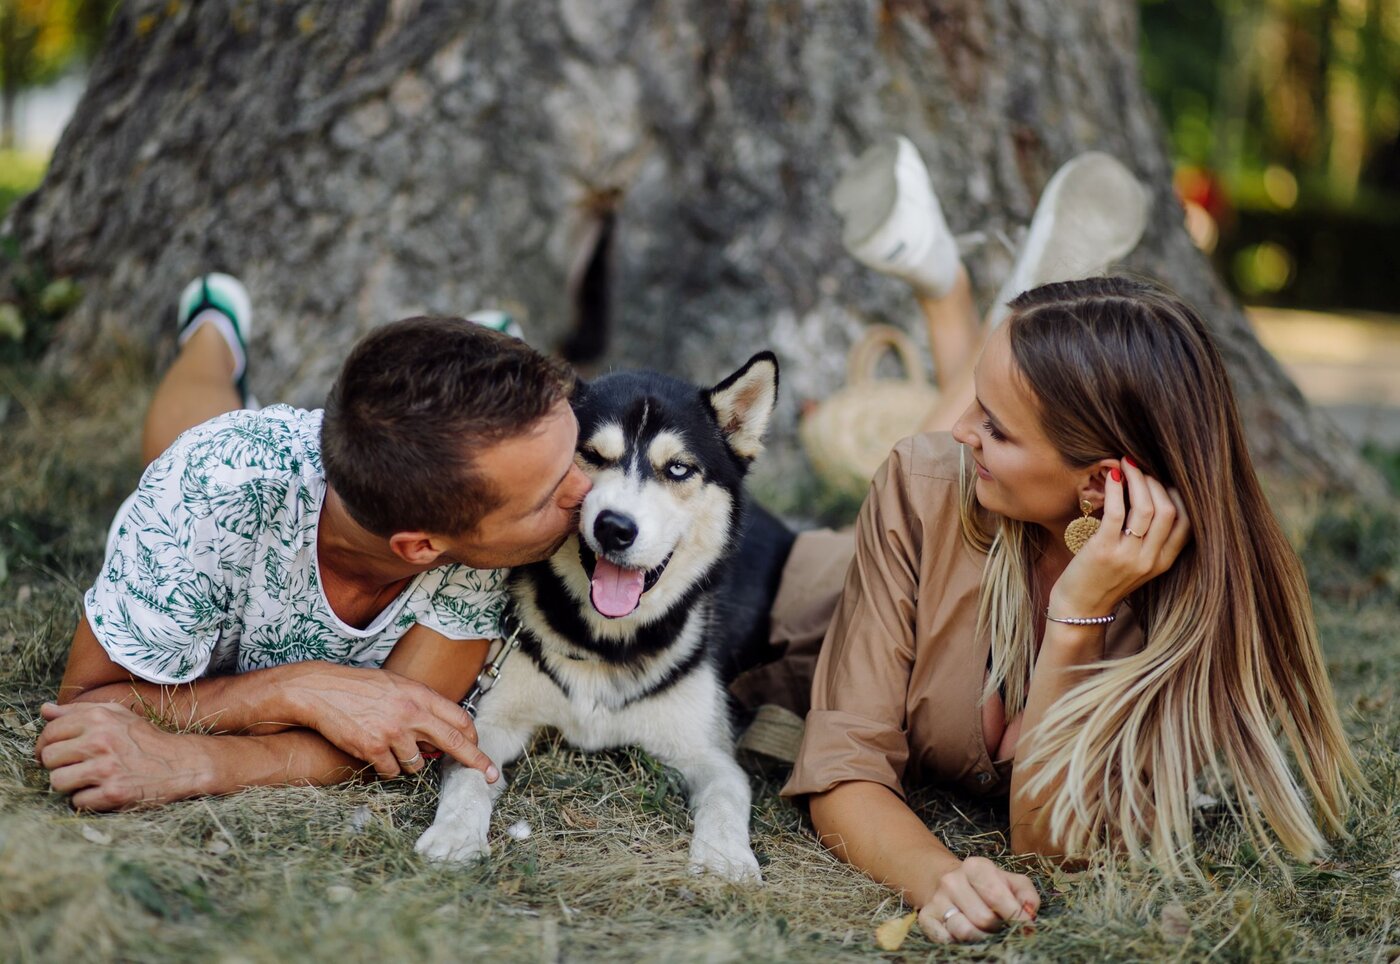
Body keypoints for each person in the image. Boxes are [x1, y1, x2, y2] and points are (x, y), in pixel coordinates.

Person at [738, 139, 1363, 944]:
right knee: (926, 466)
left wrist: (1075, 621)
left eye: (994, 426)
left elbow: (1057, 849)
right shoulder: (927, 481)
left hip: (983, 536)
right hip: (800, 581)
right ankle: (963, 299)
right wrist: (939, 877)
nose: (962, 427)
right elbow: (844, 768)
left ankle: (968, 300)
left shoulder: (1190, 621)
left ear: (1102, 485)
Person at [35, 274, 592, 811]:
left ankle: (461, 382)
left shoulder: (484, 551)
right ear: (421, 547)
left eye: (575, 453)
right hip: (224, 478)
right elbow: (86, 701)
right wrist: (294, 689)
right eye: (547, 496)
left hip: (408, 485)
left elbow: (401, 738)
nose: (588, 490)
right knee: (181, 443)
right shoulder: (208, 492)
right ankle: (213, 332)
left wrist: (198, 760)